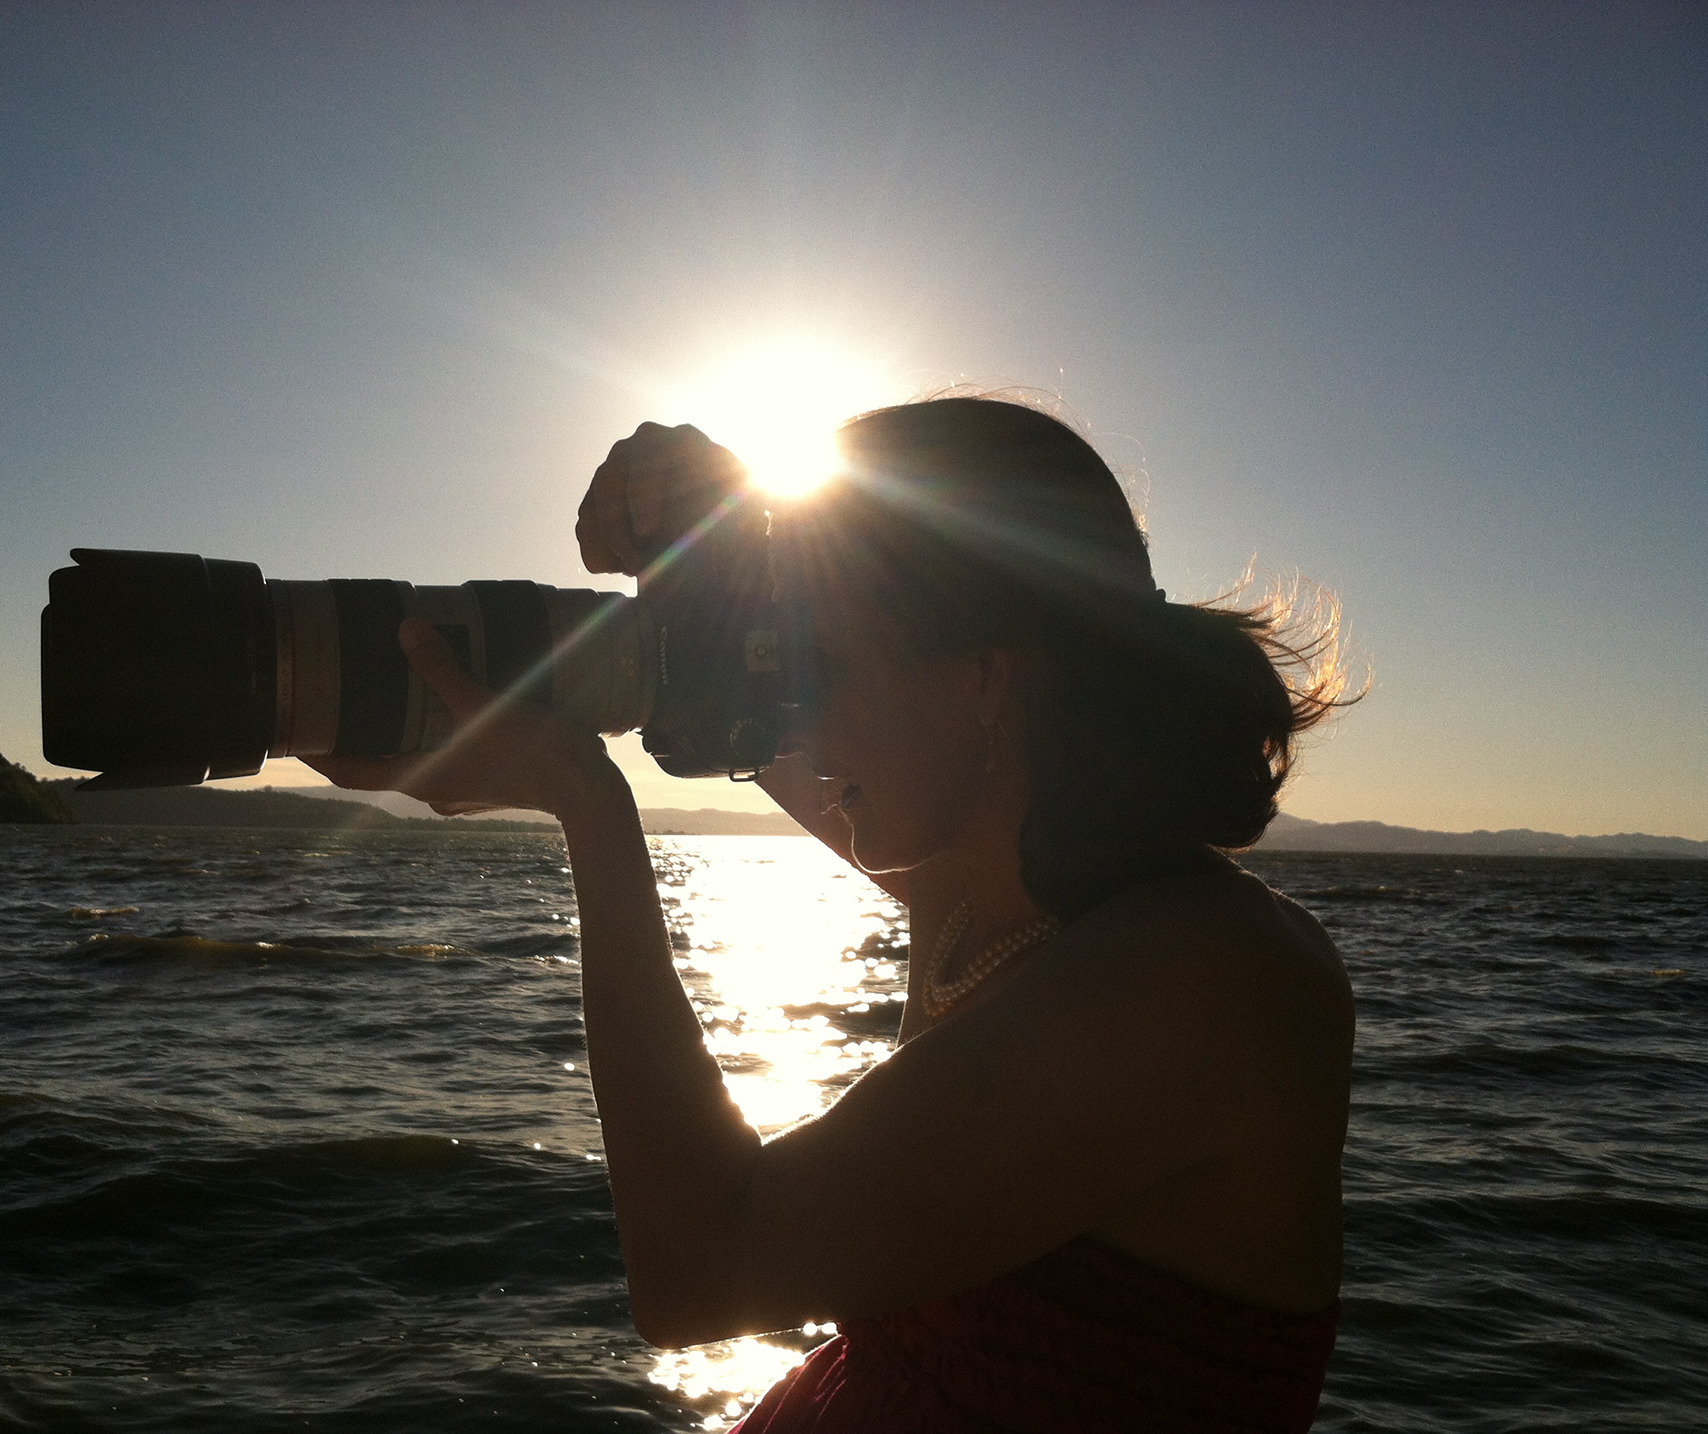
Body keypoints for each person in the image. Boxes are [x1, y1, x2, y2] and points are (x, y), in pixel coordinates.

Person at [312, 396, 1357, 1432]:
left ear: (984, 678)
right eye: (786, 662)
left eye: (824, 665)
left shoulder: (1208, 985)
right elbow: (726, 715)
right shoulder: (987, 887)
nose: (794, 713)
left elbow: (698, 1272)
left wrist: (584, 801)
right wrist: (705, 532)